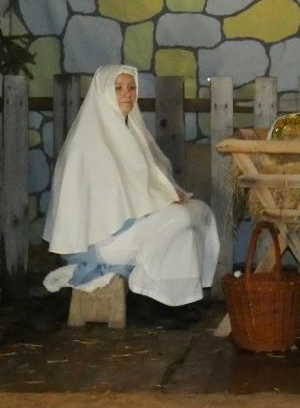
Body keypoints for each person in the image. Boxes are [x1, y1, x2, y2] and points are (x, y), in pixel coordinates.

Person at [42, 65, 218, 328]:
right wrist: (162, 199)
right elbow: (108, 199)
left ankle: (179, 298)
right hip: (102, 237)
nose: (127, 94)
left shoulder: (129, 131)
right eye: (118, 88)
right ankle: (151, 301)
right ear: (103, 93)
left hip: (132, 223)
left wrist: (170, 192)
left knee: (198, 210)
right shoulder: (86, 143)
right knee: (178, 219)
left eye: (132, 87)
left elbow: (148, 179)